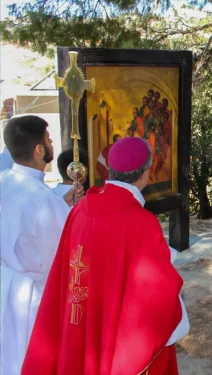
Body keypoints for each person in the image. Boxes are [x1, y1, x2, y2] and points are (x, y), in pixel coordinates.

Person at [21, 137, 189, 374]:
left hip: (78, 316)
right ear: (147, 173)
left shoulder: (80, 210)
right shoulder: (141, 223)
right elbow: (156, 297)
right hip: (111, 326)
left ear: (110, 171)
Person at [1, 115, 81, 375]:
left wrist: (62, 203)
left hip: (6, 287)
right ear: (39, 150)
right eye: (48, 139)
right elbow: (58, 259)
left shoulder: (4, 182)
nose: (51, 143)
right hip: (34, 297)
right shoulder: (42, 200)